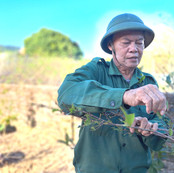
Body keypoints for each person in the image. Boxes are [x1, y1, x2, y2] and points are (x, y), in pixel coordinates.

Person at [58, 13, 168, 173]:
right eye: (126, 43)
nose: (134, 49)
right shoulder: (96, 70)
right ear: (111, 45)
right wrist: (124, 96)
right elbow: (66, 94)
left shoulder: (148, 83)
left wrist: (151, 129)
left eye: (139, 43)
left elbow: (161, 131)